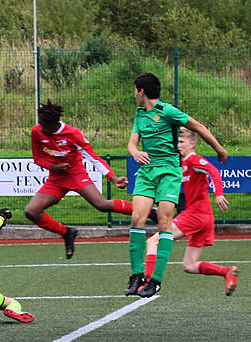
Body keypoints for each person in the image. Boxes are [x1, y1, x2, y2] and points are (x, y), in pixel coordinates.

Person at [124, 72, 228, 297]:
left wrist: (219, 149)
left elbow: (198, 126)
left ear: (141, 91)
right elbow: (132, 143)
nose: (134, 95)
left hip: (169, 171)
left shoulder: (167, 111)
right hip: (146, 170)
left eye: (135, 90)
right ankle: (137, 275)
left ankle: (156, 280)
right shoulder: (140, 114)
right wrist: (135, 152)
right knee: (137, 219)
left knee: (164, 221)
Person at [26, 100, 145, 259]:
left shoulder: (72, 133)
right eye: (40, 124)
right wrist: (53, 167)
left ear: (55, 124)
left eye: (44, 126)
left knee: (102, 204)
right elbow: (38, 159)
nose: (41, 128)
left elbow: (93, 157)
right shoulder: (37, 131)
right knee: (31, 211)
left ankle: (146, 211)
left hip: (76, 175)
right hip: (56, 179)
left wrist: (113, 178)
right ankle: (67, 232)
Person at [142, 128, 238, 296]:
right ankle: (227, 271)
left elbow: (213, 171)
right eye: (178, 142)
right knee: (189, 265)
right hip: (204, 218)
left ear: (192, 144)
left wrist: (219, 194)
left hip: (195, 215)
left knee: (153, 242)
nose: (179, 145)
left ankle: (148, 283)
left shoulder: (193, 159)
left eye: (182, 142)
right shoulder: (184, 163)